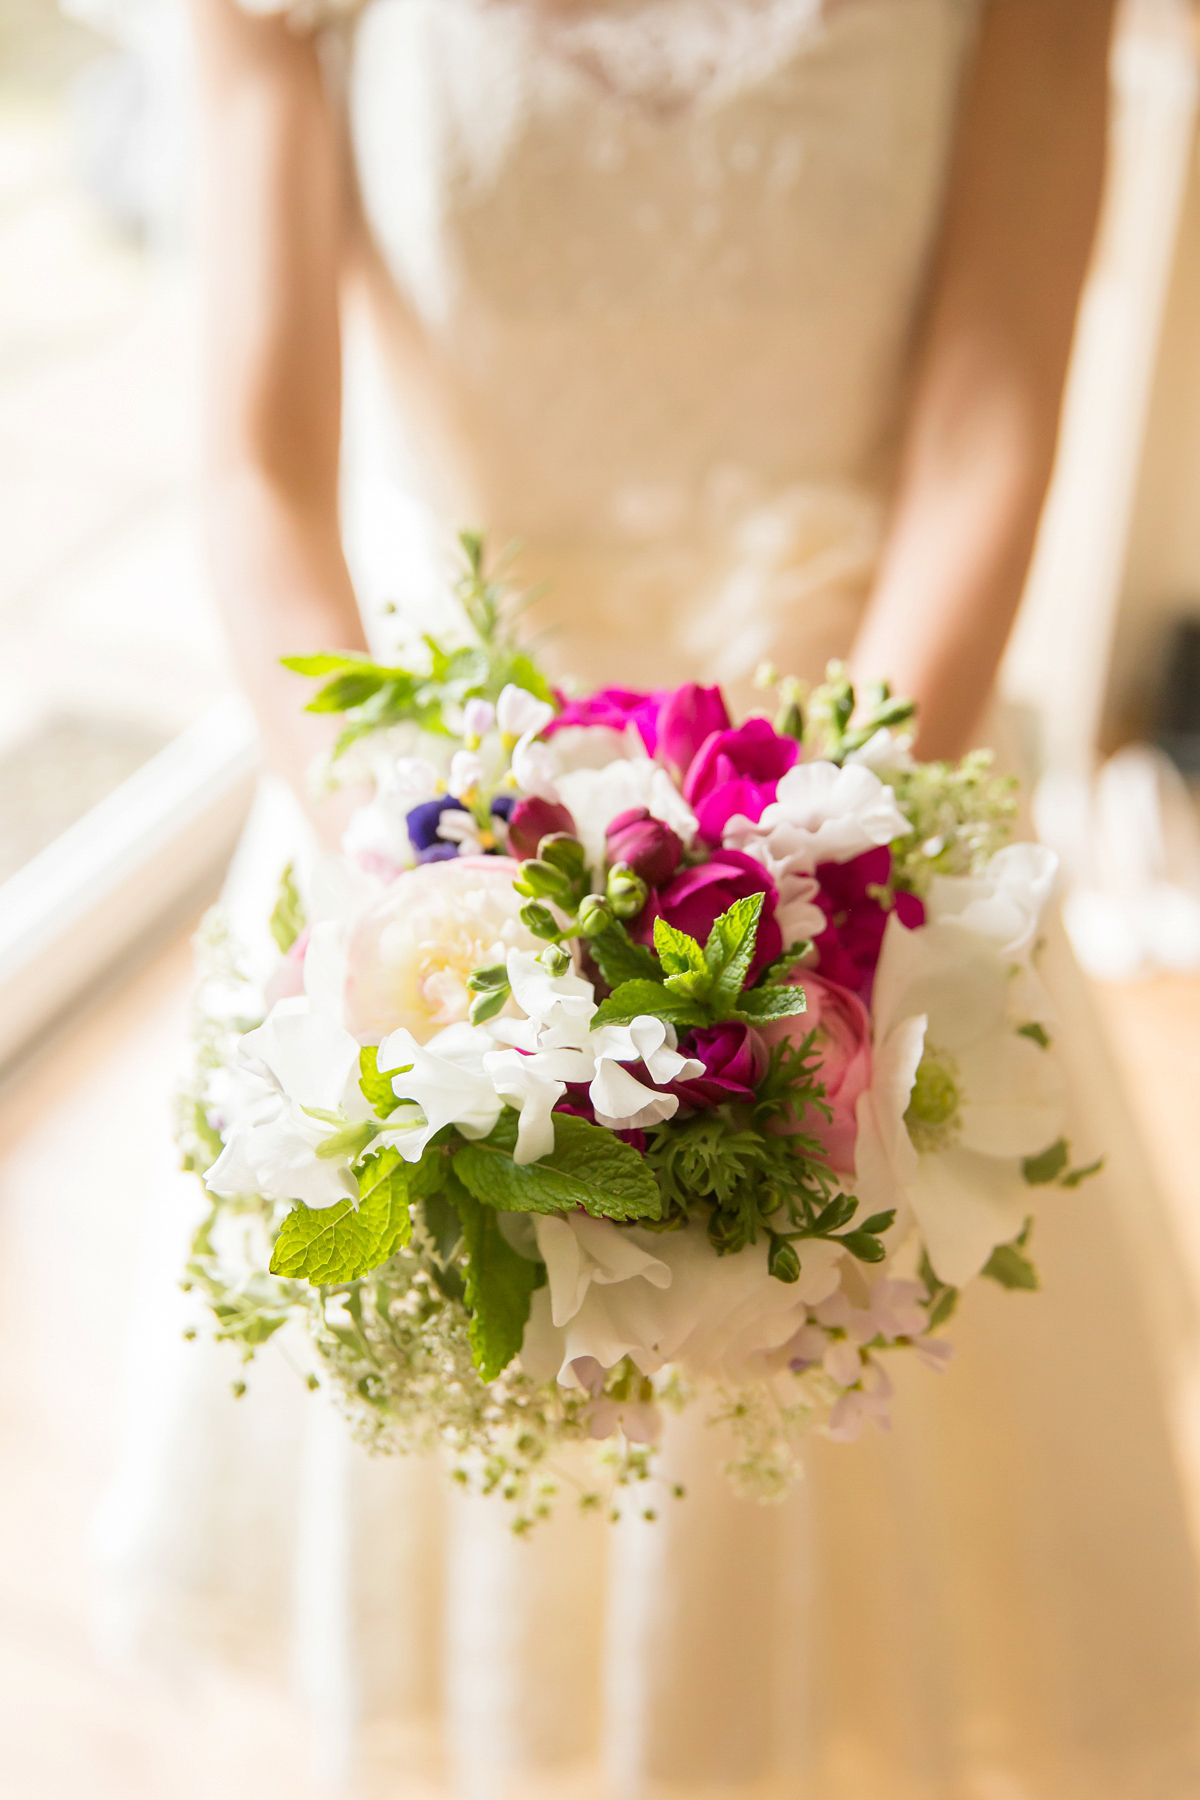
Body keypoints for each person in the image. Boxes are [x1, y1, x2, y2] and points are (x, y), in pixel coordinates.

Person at [101, 0, 1200, 1794]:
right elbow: (258, 465)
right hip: (439, 817)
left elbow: (987, 435)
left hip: (853, 804)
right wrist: (411, 863)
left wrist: (823, 880)